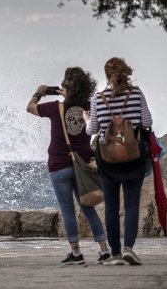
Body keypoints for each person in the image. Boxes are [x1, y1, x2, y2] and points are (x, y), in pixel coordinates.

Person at [27, 67, 110, 265]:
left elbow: (30, 107)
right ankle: (105, 251)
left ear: (67, 87)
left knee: (67, 210)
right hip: (82, 166)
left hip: (59, 166)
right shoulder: (90, 108)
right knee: (88, 208)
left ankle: (76, 253)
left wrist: (39, 92)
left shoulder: (56, 107)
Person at [86, 57, 153, 266]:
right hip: (133, 157)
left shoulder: (98, 98)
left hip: (107, 160)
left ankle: (114, 253)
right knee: (132, 205)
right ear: (126, 73)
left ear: (107, 76)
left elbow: (92, 130)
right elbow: (148, 122)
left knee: (112, 206)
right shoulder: (136, 94)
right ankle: (129, 249)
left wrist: (88, 119)